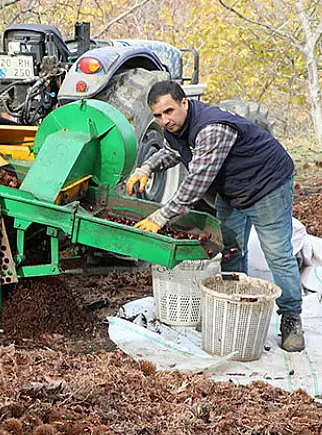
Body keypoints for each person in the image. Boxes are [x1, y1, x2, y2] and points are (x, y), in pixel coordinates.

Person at [127, 80, 302, 351]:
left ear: (184, 102)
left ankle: (291, 318)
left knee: (277, 255)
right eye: (158, 115)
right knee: (231, 249)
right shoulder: (176, 128)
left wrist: (160, 217)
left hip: (267, 186)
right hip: (232, 190)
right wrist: (147, 167)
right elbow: (173, 152)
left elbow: (196, 183)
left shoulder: (212, 129)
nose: (165, 120)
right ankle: (234, 305)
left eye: (169, 111)